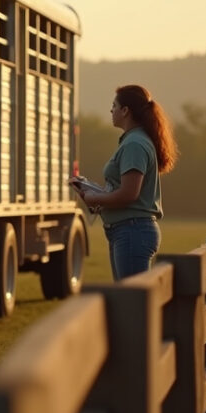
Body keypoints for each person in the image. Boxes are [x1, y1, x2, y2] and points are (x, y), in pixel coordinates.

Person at [77, 84, 178, 281]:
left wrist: (95, 197)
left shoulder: (134, 144)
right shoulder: (134, 141)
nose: (111, 110)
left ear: (125, 111)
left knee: (131, 305)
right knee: (129, 301)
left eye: (114, 105)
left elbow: (129, 194)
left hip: (132, 231)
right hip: (129, 231)